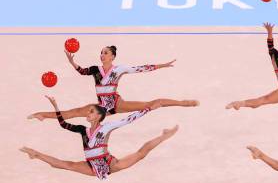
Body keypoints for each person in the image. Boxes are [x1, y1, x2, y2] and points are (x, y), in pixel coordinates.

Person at [21, 95, 178, 180]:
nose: (87, 113)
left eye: (91, 112)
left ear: (98, 116)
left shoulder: (106, 128)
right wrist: (55, 107)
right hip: (91, 165)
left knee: (140, 154)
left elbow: (129, 119)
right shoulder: (83, 130)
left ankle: (163, 136)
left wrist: (149, 108)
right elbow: (64, 124)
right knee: (64, 165)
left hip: (108, 164)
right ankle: (35, 154)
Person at [28, 45, 198, 120]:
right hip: (102, 108)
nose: (102, 55)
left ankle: (183, 103)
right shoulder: (95, 69)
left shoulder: (118, 69)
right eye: (101, 52)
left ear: (112, 56)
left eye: (105, 53)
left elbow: (142, 68)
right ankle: (42, 115)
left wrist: (162, 65)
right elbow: (81, 71)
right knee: (74, 112)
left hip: (116, 104)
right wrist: (71, 61)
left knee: (154, 103)